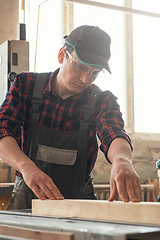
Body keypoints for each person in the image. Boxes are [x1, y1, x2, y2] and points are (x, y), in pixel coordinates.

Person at [0, 25, 141, 210]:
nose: (85, 79)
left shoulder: (102, 100)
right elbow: (3, 131)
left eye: (95, 72)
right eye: (80, 66)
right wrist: (26, 167)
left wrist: (122, 160)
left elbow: (114, 134)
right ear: (61, 55)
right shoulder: (25, 85)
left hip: (80, 202)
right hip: (28, 199)